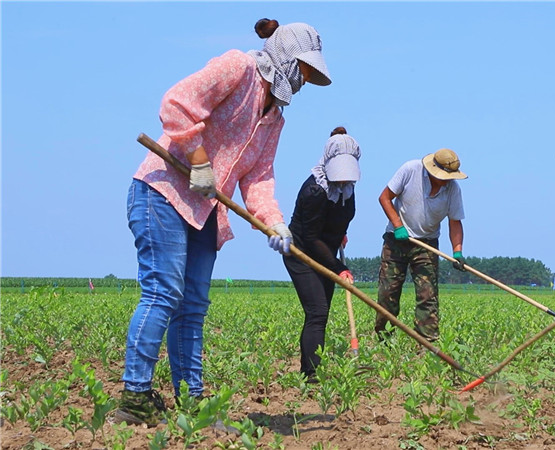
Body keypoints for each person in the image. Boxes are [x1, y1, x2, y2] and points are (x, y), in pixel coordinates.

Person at [116, 18, 332, 426]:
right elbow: (177, 103)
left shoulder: (275, 119)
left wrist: (274, 223)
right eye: (304, 68)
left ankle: (191, 403)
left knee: (193, 304)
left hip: (206, 211)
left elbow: (259, 176)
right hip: (164, 192)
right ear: (287, 58)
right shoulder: (238, 68)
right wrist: (199, 162)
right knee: (164, 291)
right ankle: (135, 397)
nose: (305, 80)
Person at [282, 127, 360, 382]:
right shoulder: (314, 190)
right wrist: (339, 268)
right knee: (317, 310)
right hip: (302, 252)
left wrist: (341, 233)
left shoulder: (347, 189)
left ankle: (311, 367)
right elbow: (313, 237)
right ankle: (310, 374)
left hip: (326, 249)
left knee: (321, 312)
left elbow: (340, 217)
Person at [374, 149, 468, 342]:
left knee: (428, 296)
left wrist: (457, 251)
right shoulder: (410, 170)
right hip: (396, 240)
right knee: (388, 293)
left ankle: (427, 344)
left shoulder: (453, 189)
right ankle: (384, 341)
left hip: (426, 244)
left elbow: (455, 222)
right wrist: (398, 226)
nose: (448, 180)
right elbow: (384, 198)